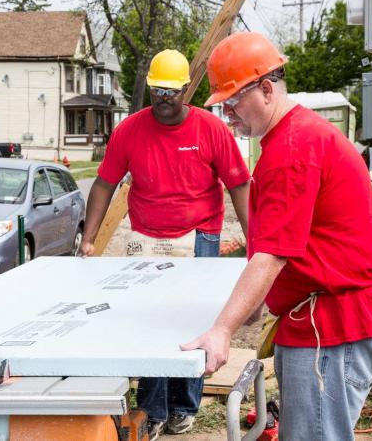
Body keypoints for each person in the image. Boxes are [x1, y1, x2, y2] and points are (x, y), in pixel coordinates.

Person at [181, 32, 372, 441]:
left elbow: (270, 256)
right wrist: (249, 305)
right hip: (330, 319)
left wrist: (223, 330)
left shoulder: (292, 150)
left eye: (232, 102)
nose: (228, 115)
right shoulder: (294, 137)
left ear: (266, 90)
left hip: (336, 325)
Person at [80, 49, 250, 440]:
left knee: (192, 321)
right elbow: (105, 183)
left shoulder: (210, 129)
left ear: (184, 90)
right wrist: (88, 239)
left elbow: (239, 184)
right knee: (149, 322)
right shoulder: (130, 130)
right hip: (147, 238)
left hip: (198, 236)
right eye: (157, 90)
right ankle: (152, 410)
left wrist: (255, 242)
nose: (163, 98)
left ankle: (183, 407)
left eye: (170, 91)